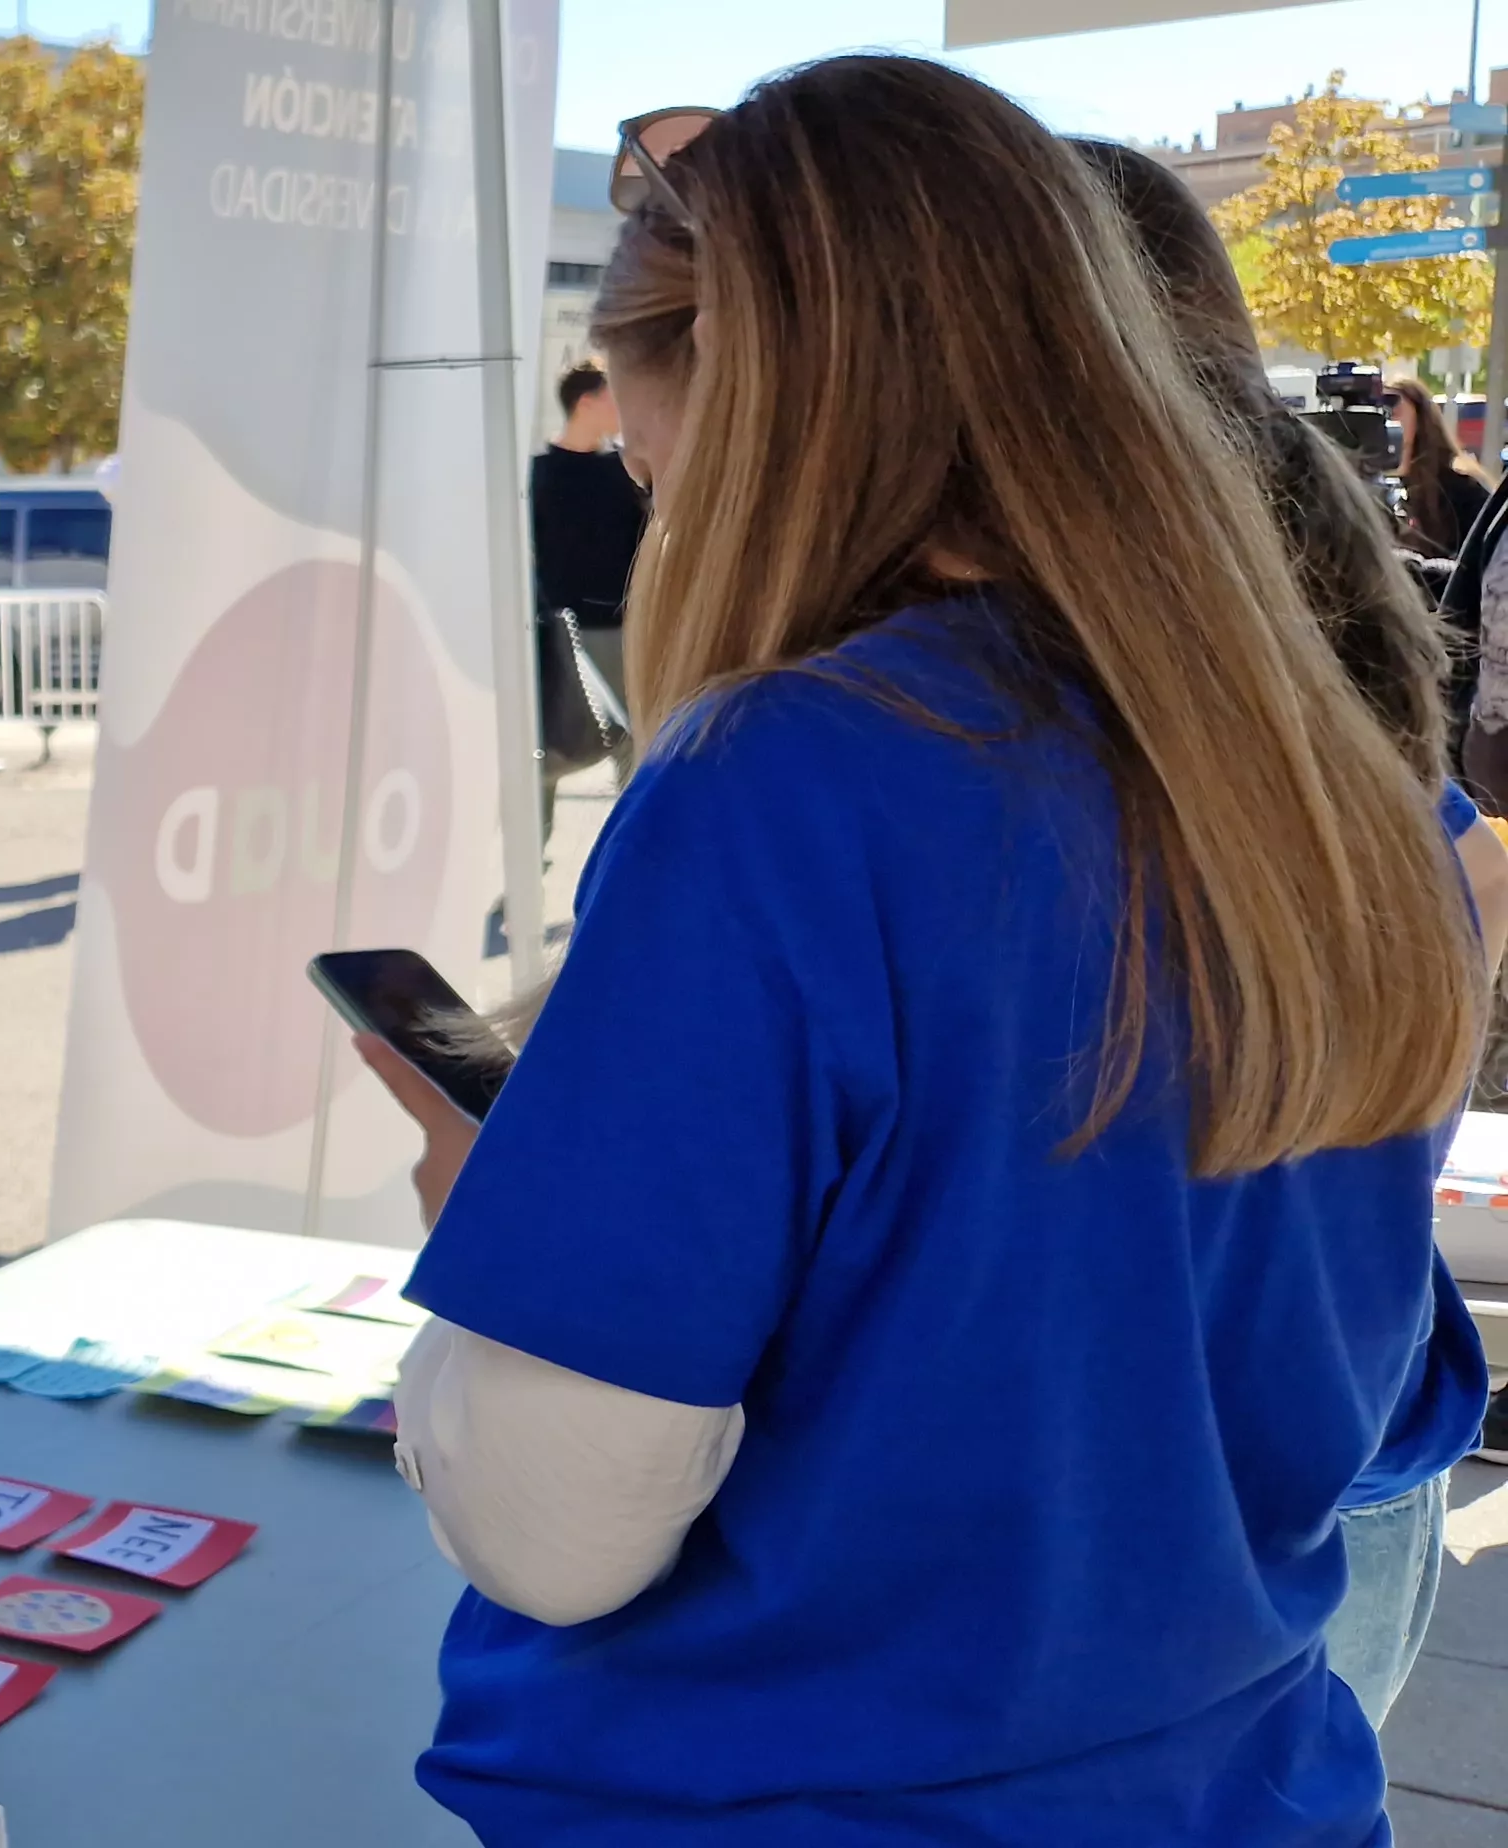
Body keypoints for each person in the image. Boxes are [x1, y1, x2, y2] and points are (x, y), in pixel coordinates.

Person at [358, 61, 1491, 1843]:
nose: (653, 498)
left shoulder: (781, 783)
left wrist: (487, 1213)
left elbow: (556, 1522)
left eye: (651, 448)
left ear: (746, 388)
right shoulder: (1348, 782)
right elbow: (1350, 1392)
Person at [1077, 137, 1504, 1729]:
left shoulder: (988, 744)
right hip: (1355, 1421)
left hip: (1196, 1479)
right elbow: (1469, 875)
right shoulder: (1314, 648)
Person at [529, 362, 643, 694]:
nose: (620, 409)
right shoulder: (538, 474)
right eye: (612, 399)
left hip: (624, 627)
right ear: (585, 403)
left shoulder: (627, 468)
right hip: (564, 632)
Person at [1393, 376, 1489, 561]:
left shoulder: (1459, 484)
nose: (1387, 422)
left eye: (1394, 410)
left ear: (1420, 418)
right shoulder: (1365, 483)